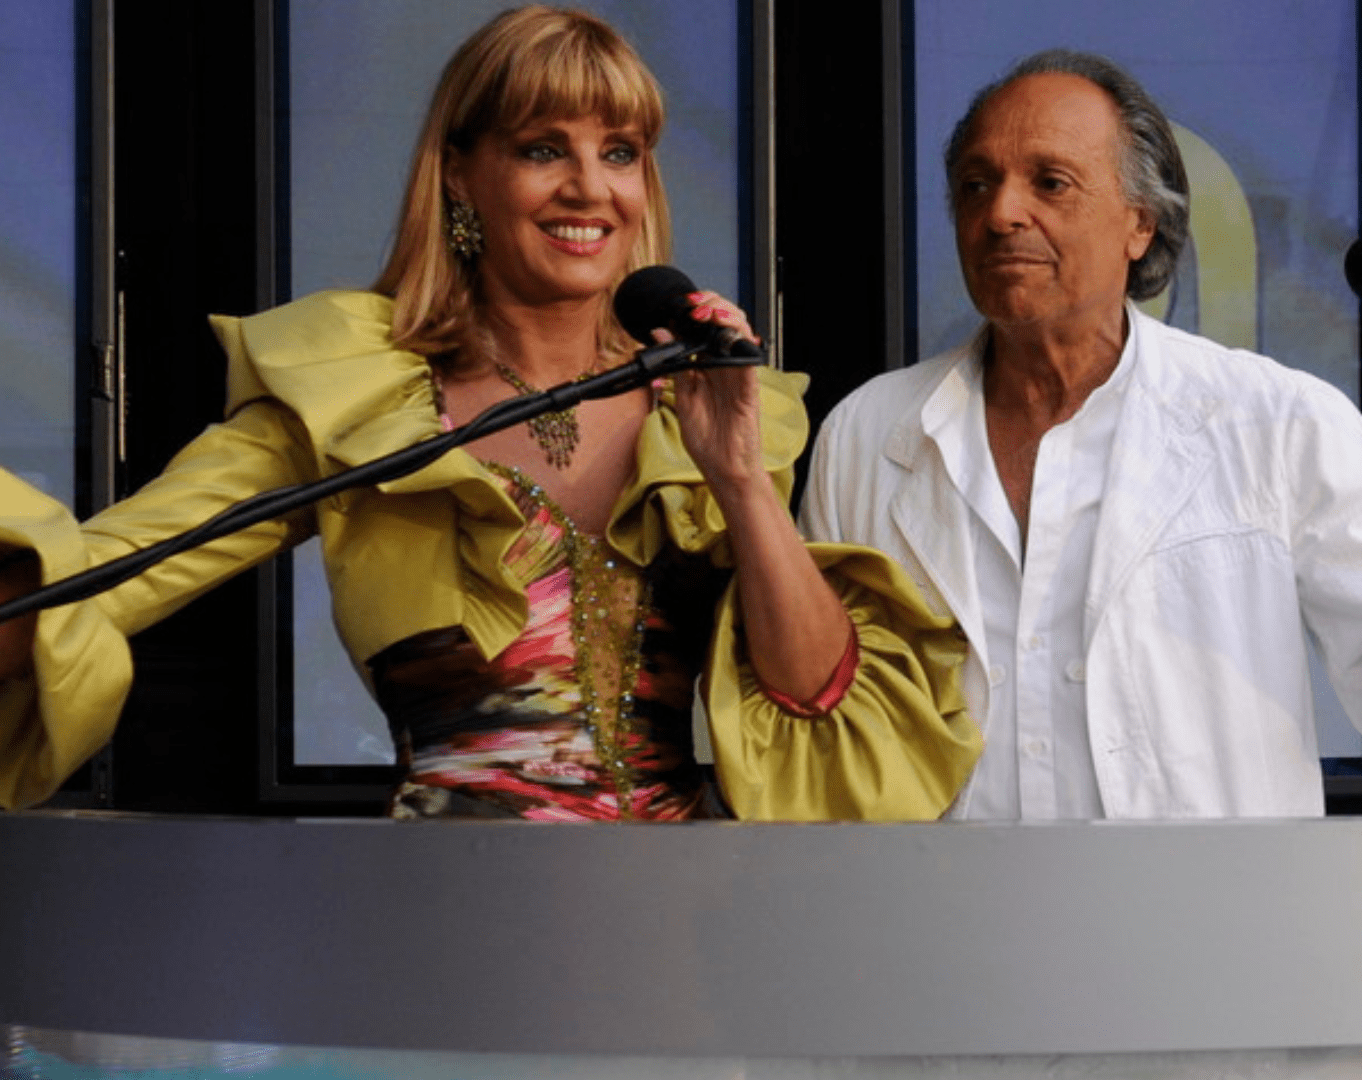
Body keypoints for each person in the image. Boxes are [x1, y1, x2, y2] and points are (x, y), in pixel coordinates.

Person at [0, 6, 977, 820]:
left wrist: (737, 479)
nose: (589, 186)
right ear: (460, 173)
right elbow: (117, 571)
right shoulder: (351, 394)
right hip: (450, 923)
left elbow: (811, 693)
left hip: (682, 928)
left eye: (621, 152)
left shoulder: (704, 406)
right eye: (544, 149)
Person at [798, 50, 1362, 820]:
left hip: (1205, 914)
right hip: (938, 911)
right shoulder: (868, 434)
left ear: (1140, 225)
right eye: (977, 185)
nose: (1002, 212)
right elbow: (817, 725)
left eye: (1050, 182)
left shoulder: (1278, 422)